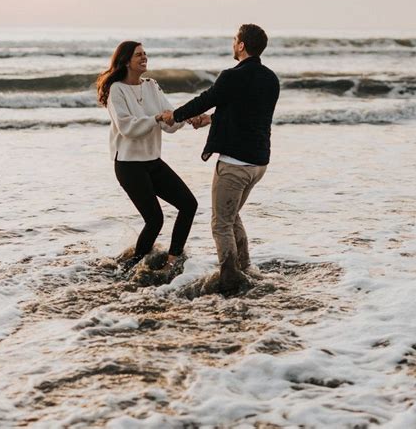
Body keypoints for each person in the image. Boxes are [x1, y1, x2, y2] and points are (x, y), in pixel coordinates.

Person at [161, 24, 279, 293]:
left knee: (221, 223)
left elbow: (207, 98)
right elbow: (248, 113)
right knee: (232, 215)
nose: (232, 44)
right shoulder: (271, 78)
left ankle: (230, 278)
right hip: (259, 163)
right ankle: (245, 268)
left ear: (241, 45)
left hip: (235, 165)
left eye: (234, 40)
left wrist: (174, 115)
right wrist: (210, 120)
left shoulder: (232, 76)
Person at [97, 41, 198, 273]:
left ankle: (172, 261)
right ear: (125, 61)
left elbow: (170, 123)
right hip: (128, 165)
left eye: (145, 54)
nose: (144, 58)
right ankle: (130, 269)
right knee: (155, 220)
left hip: (153, 161)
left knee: (188, 205)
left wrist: (188, 118)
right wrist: (156, 118)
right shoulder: (116, 90)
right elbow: (127, 128)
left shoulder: (152, 86)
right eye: (138, 55)